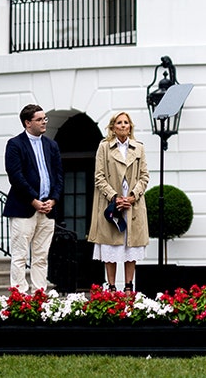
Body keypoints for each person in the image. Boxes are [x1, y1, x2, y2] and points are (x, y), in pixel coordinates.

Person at [2, 104, 63, 294]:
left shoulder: (51, 145)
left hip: (48, 208)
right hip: (24, 208)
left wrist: (52, 199)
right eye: (39, 119)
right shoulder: (15, 144)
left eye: (45, 118)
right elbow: (15, 175)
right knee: (20, 255)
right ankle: (19, 297)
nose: (44, 122)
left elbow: (59, 175)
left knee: (41, 255)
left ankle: (39, 294)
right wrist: (33, 200)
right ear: (27, 123)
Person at [87, 112, 150, 292]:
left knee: (131, 246)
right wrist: (114, 197)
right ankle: (112, 287)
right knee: (110, 246)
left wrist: (132, 196)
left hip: (133, 204)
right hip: (111, 203)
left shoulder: (139, 148)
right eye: (119, 123)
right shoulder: (104, 147)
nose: (123, 125)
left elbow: (144, 176)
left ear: (130, 126)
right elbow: (98, 177)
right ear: (113, 127)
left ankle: (129, 286)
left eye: (126, 123)